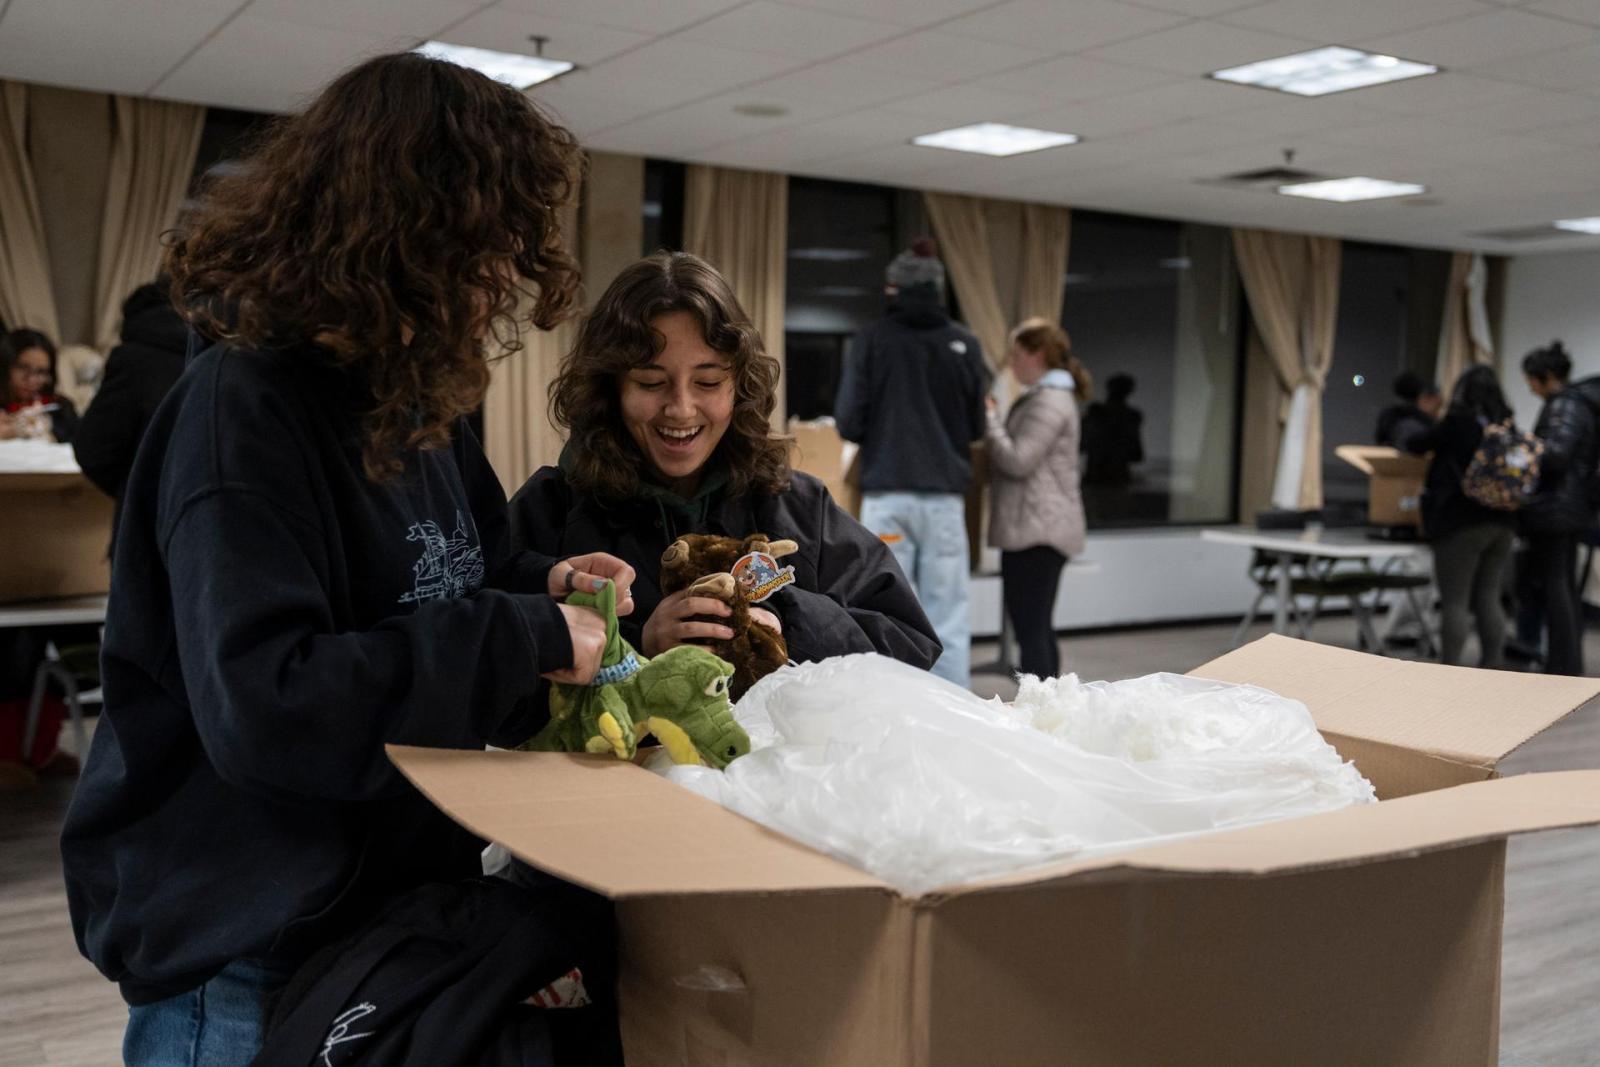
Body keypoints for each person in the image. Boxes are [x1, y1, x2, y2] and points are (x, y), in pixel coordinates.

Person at [60, 52, 636, 1066]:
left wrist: (543, 587)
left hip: (375, 921)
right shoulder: (242, 415)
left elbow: (469, 569)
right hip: (242, 943)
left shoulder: (418, 395)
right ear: (407, 231)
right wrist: (521, 631)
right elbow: (271, 706)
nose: (504, 271)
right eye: (487, 238)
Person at [511, 251, 938, 673]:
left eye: (708, 381)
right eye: (651, 382)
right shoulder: (552, 509)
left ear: (740, 386)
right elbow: (494, 682)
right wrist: (638, 644)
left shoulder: (799, 507)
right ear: (609, 389)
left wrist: (786, 619)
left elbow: (910, 645)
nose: (680, 409)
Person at [834, 237, 988, 687]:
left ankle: (899, 705)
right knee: (950, 611)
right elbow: (977, 427)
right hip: (944, 500)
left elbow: (848, 421)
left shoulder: (872, 340)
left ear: (895, 289)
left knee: (889, 610)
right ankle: (956, 711)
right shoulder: (964, 343)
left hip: (889, 498)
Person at [985, 319, 1088, 679]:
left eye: (1017, 355)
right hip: (1036, 526)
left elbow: (1018, 460)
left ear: (1038, 354)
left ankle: (1040, 707)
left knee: (1031, 628)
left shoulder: (1050, 402)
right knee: (1035, 625)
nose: (1012, 364)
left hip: (1039, 530)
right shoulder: (1046, 397)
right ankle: (1048, 703)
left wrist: (990, 419)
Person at [1402, 367, 1517, 668]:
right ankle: (1493, 667)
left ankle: (1450, 669)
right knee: (1489, 596)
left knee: (1455, 601)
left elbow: (1416, 444)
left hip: (1460, 523)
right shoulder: (1506, 426)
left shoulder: (1457, 422)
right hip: (1503, 523)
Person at [72, 280, 190, 512]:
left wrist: (134, 491)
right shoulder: (220, 353)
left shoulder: (133, 360)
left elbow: (93, 451)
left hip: (146, 516)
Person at [1519, 341, 1598, 676]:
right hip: (1574, 505)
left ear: (1546, 376)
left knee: (1556, 584)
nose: (1529, 386)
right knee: (1563, 583)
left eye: (1531, 380)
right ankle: (1566, 664)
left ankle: (1562, 666)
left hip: (1556, 507)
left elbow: (1556, 455)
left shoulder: (1564, 405)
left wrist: (1523, 448)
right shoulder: (1580, 403)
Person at [0, 327, 80, 442]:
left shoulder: (61, 409)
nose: (32, 380)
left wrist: (49, 434)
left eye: (41, 372)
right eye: (23, 368)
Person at [1080, 372, 1141, 488]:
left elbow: (1082, 445)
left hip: (1099, 475)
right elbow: (1136, 453)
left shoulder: (1096, 414)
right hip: (1112, 476)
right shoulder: (1130, 416)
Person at [1376, 371, 1442, 449]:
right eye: (1437, 408)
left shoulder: (1390, 418)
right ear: (1425, 400)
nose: (1438, 414)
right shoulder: (1413, 426)